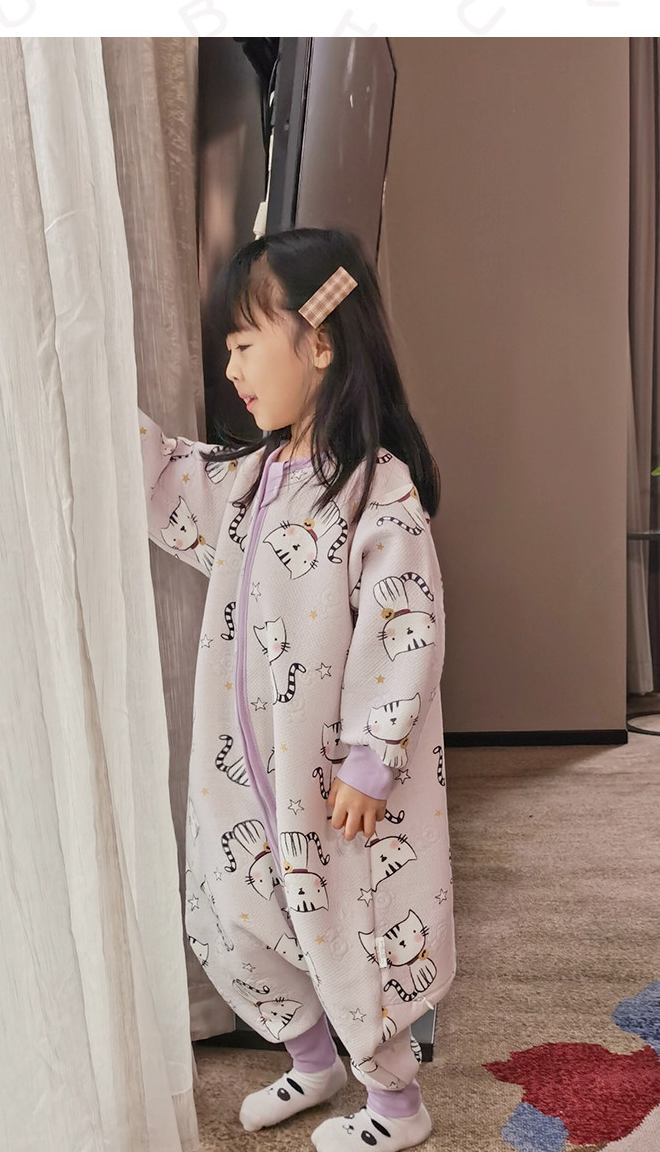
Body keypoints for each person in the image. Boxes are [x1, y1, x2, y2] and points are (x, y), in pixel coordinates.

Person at [138, 226, 455, 1152]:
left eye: (244, 343)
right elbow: (165, 477)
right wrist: (81, 377)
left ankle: (397, 1106)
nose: (230, 367)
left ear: (319, 342)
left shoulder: (375, 489)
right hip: (244, 774)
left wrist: (374, 756)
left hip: (336, 784)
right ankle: (312, 1060)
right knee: (238, 912)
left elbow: (406, 625)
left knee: (354, 932)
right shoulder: (250, 481)